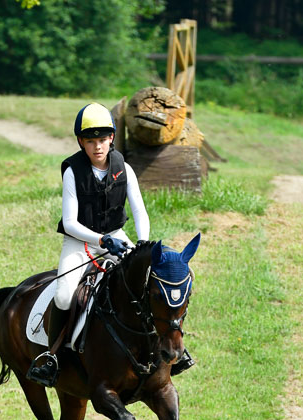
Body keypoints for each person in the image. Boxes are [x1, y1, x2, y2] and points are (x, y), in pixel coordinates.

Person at [27, 102, 193, 387]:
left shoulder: (123, 168)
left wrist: (141, 246)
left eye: (102, 140)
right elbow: (70, 222)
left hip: (117, 237)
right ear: (81, 142)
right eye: (90, 141)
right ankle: (53, 358)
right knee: (64, 296)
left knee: (147, 284)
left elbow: (139, 211)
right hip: (80, 242)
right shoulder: (73, 171)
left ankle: (169, 346)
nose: (97, 147)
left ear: (111, 138)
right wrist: (101, 240)